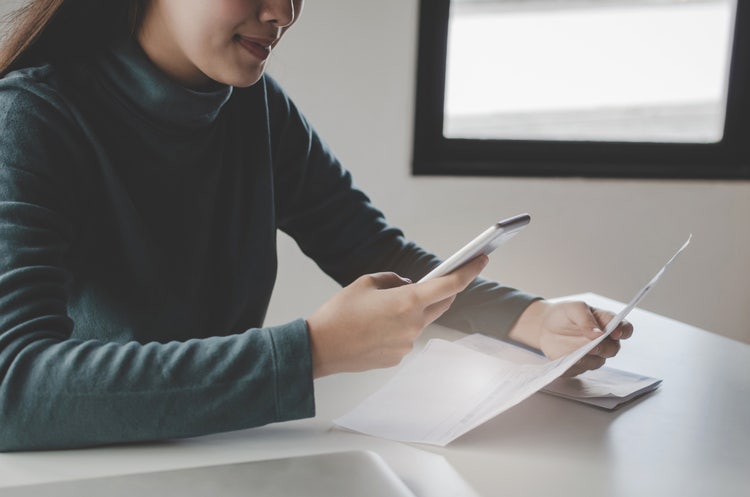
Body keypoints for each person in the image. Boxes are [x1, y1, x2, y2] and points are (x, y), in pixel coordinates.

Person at [0, 0, 632, 452]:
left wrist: (529, 319)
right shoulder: (29, 121)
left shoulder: (257, 107)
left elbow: (369, 247)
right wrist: (314, 353)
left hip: (219, 453)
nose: (285, 12)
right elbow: (15, 390)